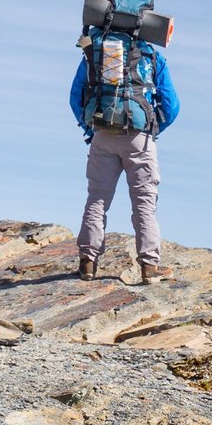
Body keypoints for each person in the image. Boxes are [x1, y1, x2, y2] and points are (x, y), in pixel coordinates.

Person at [69, 24, 179, 282]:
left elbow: (76, 97)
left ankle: (88, 261)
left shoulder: (94, 54)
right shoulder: (152, 56)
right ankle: (149, 266)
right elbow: (171, 103)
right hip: (138, 138)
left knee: (97, 198)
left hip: (102, 134)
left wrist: (91, 128)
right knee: (144, 202)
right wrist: (151, 129)